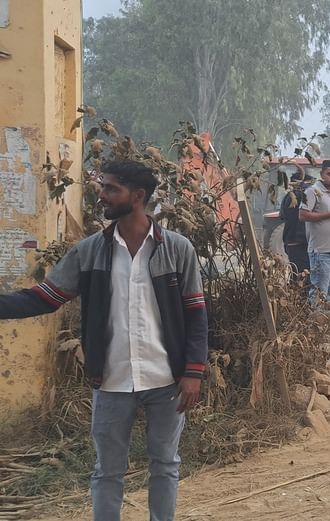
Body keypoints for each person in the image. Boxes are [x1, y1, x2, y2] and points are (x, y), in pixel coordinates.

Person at [0, 161, 207, 520]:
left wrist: (194, 371)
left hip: (167, 381)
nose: (102, 196)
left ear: (137, 196)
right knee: (107, 471)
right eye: (102, 188)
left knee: (165, 464)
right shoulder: (90, 251)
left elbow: (196, 314)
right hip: (110, 381)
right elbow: (44, 298)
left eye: (111, 189)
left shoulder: (177, 248)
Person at [299, 159, 330, 303]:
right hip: (321, 251)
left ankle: (325, 322)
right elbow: (303, 215)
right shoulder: (312, 191)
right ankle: (315, 322)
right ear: (322, 174)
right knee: (319, 291)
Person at [280, 169, 312, 275]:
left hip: (291, 240)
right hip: (300, 242)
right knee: (302, 275)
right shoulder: (300, 197)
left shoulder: (287, 197)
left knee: (297, 273)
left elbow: (282, 216)